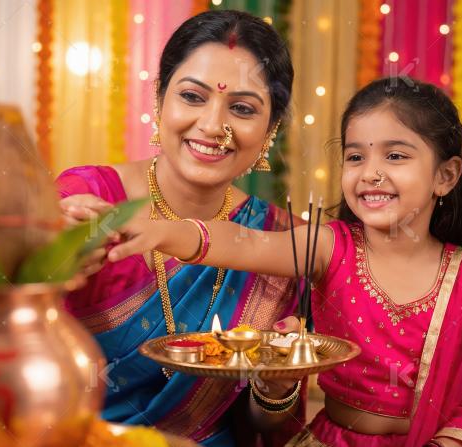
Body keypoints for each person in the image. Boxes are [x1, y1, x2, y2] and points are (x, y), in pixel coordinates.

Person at [108, 77, 462, 447]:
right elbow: (246, 242)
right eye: (355, 156)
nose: (370, 172)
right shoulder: (330, 246)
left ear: (444, 176)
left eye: (395, 155)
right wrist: (168, 231)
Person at [56, 10, 303, 446]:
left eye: (242, 108)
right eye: (192, 97)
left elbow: (266, 426)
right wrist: (40, 260)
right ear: (160, 100)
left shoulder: (280, 241)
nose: (212, 126)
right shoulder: (87, 198)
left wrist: (276, 387)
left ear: (271, 129)